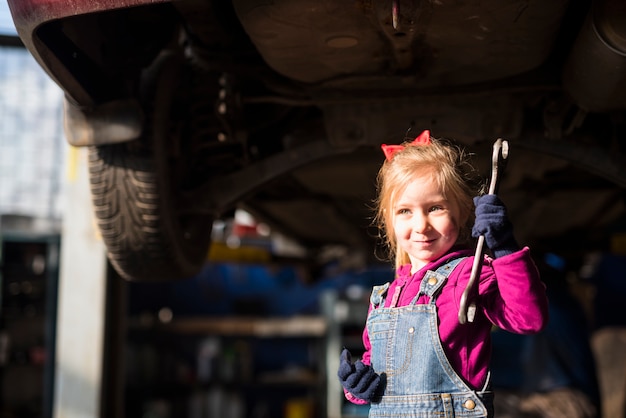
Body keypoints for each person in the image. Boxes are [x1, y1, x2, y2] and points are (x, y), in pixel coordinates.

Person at [337, 130, 549, 417]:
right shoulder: (384, 298)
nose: (421, 225)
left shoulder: (467, 275)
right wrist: (360, 385)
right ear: (388, 219)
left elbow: (528, 318)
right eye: (405, 211)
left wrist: (505, 248)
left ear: (462, 212)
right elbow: (376, 366)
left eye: (435, 208)